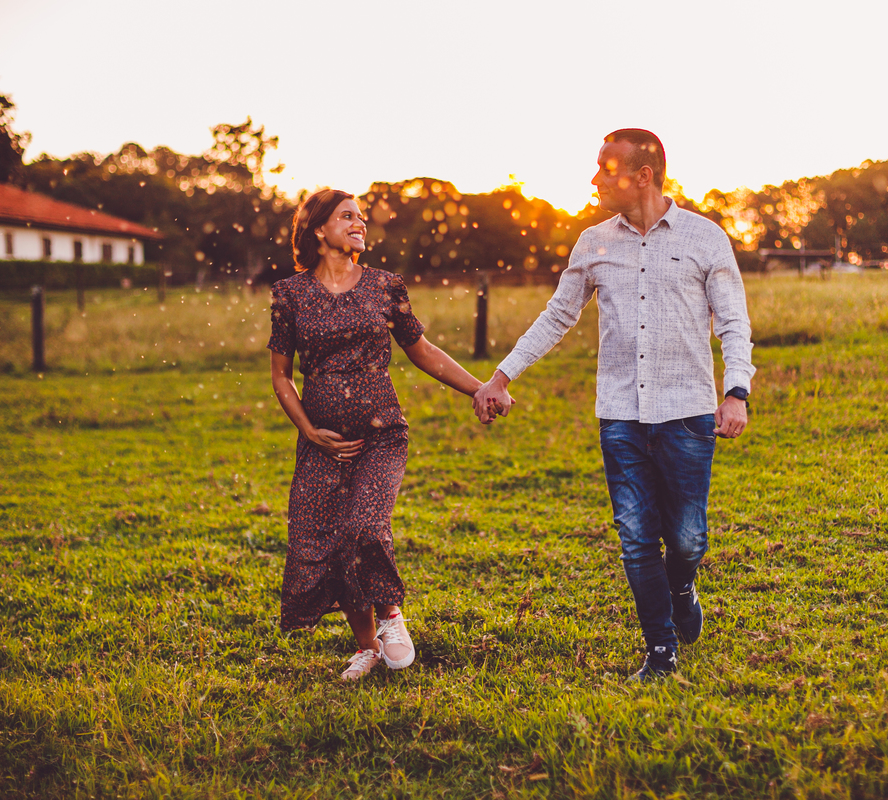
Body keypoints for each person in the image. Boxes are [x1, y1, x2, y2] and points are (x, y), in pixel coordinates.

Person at [474, 129, 755, 681]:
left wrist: (736, 389)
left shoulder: (706, 238)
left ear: (642, 175)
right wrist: (501, 376)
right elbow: (558, 315)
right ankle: (660, 650)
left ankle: (682, 584)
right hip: (621, 414)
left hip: (687, 412)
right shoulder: (593, 242)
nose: (595, 179)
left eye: (606, 169)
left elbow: (733, 321)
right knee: (634, 535)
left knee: (688, 538)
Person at [269, 189, 488, 681]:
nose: (359, 224)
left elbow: (423, 351)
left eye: (362, 218)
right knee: (321, 542)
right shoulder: (290, 294)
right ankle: (367, 646)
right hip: (322, 442)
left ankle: (390, 614)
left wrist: (480, 389)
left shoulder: (385, 286)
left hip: (381, 434)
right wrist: (310, 431)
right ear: (319, 229)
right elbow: (281, 374)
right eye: (347, 216)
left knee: (363, 527)